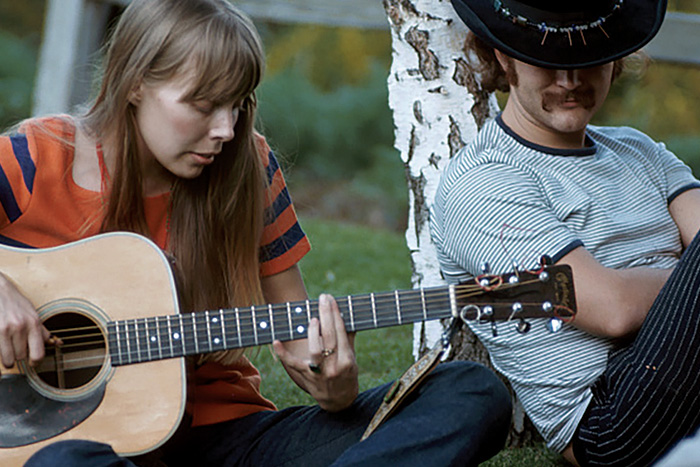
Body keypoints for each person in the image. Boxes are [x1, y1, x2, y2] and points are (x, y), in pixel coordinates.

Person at [0, 0, 512, 465]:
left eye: (238, 105)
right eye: (203, 105)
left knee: (470, 390)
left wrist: (332, 385)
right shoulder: (34, 159)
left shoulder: (249, 168)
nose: (225, 129)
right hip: (94, 450)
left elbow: (299, 337)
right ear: (135, 83)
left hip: (231, 441)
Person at [430, 0, 700, 465]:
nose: (570, 80)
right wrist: (682, 275)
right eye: (548, 60)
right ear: (502, 55)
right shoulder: (483, 180)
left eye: (588, 57)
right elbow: (611, 309)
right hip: (613, 419)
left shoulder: (638, 150)